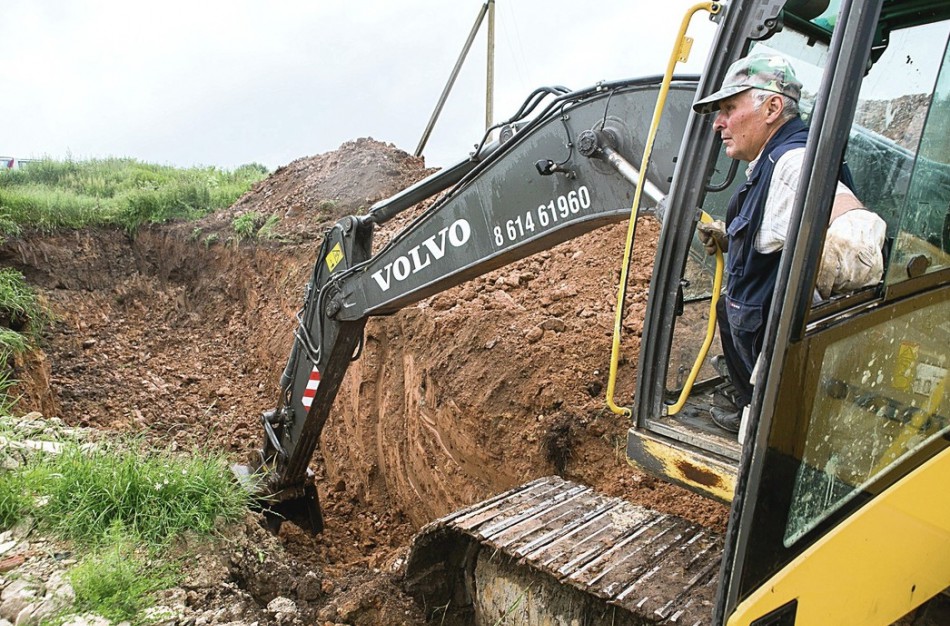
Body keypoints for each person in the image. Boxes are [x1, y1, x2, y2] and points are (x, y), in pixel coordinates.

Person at [692, 52, 884, 434]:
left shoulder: (792, 163)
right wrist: (732, 238)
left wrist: (843, 251)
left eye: (730, 107)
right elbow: (787, 233)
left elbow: (857, 235)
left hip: (779, 381)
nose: (719, 123)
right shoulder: (774, 161)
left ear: (773, 107)